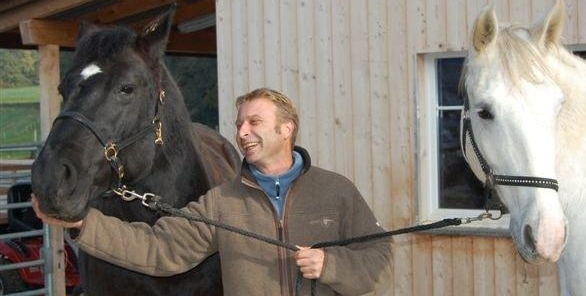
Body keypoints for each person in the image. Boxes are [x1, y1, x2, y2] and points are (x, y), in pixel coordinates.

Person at [33, 87, 392, 295]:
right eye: (239, 125)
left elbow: (377, 252)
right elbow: (159, 248)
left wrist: (331, 264)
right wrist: (83, 224)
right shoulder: (223, 202)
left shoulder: (335, 190)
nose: (242, 132)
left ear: (287, 129)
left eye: (254, 122)